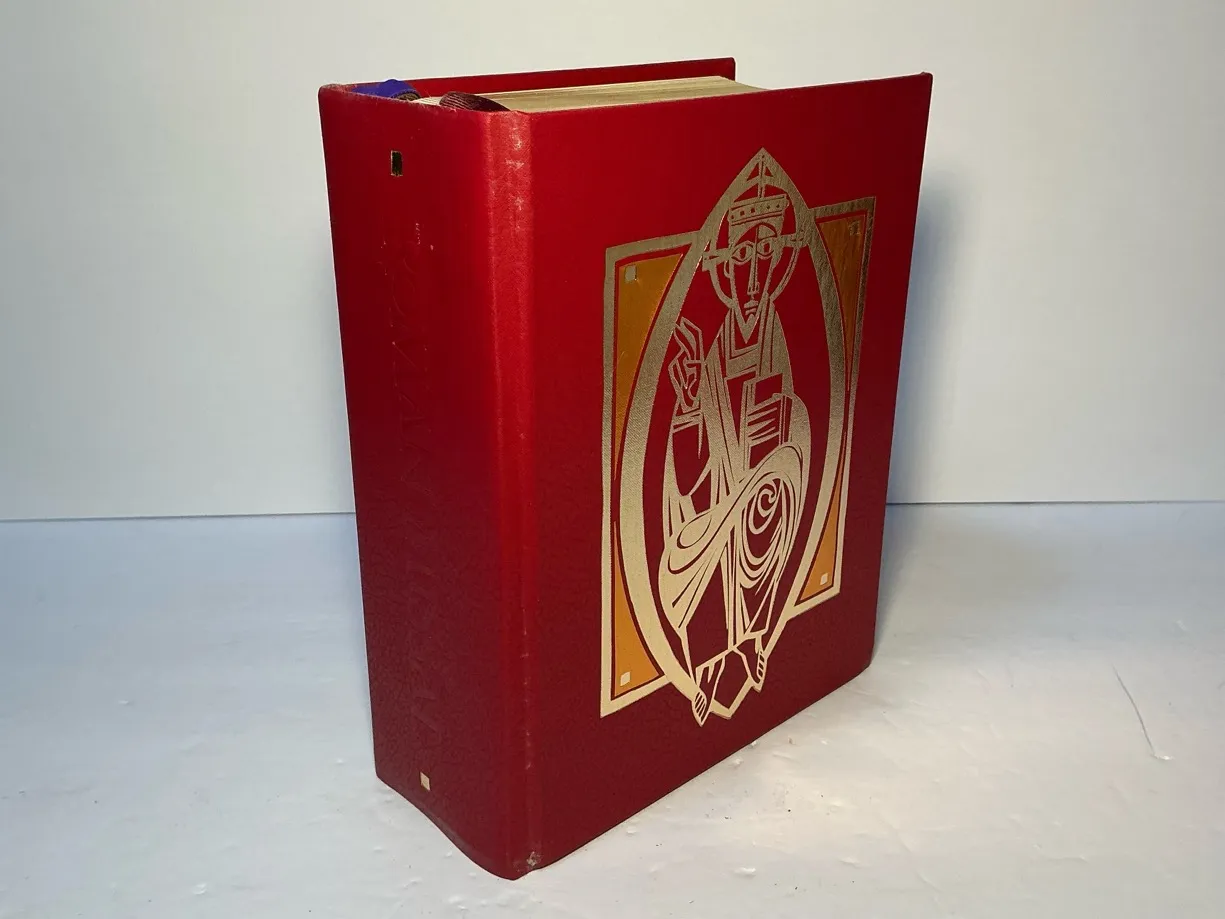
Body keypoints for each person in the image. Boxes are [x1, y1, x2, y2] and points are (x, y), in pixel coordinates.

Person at [659, 159, 813, 725]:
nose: (752, 278)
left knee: (766, 515)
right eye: (742, 257)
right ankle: (706, 663)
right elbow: (688, 474)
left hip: (765, 496)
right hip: (718, 501)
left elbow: (797, 419)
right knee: (697, 548)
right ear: (725, 268)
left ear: (779, 262)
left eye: (764, 255)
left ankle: (750, 639)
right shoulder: (717, 346)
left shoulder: (776, 338)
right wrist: (690, 407)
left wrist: (783, 430)